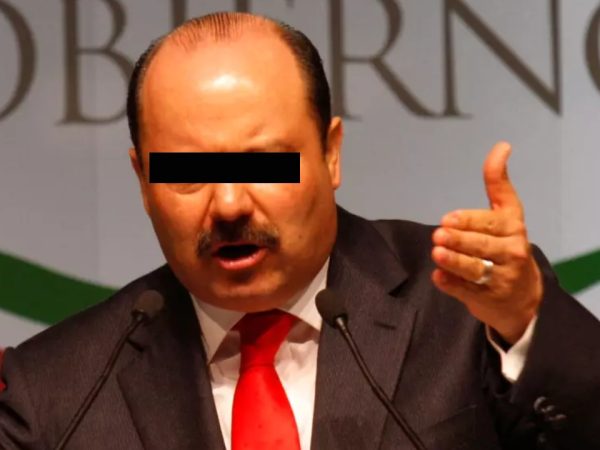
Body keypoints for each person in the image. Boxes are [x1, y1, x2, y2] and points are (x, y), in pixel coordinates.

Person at [1, 12, 599, 450]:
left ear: (330, 154)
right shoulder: (55, 392)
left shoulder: (465, 310)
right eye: (187, 173)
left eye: (264, 164)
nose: (229, 204)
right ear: (141, 179)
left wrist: (527, 321)